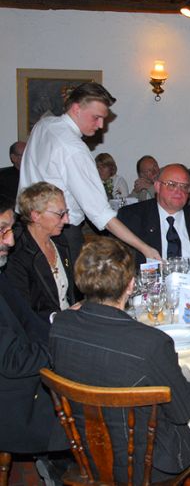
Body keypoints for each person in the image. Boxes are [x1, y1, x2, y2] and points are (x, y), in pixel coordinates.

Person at [49, 237, 190, 483]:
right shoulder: (151, 343)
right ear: (132, 285)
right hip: (146, 465)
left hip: (86, 454)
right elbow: (184, 413)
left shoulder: (60, 325)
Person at [18, 82, 161, 265]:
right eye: (96, 117)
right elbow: (101, 213)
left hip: (27, 226)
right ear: (76, 109)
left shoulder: (43, 124)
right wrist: (145, 248)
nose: (101, 125)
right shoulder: (74, 149)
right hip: (60, 234)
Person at [0, 194, 65, 457]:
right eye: (2, 230)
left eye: (10, 230)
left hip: (19, 387)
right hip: (14, 407)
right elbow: (13, 361)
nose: (10, 241)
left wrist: (70, 330)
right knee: (102, 408)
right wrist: (64, 348)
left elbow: (29, 321)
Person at [118, 163, 190, 269]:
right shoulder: (132, 218)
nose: (179, 191)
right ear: (157, 187)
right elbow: (118, 262)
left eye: (184, 186)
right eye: (172, 185)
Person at [4, 182, 75, 322]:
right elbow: (23, 312)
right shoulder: (17, 254)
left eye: (66, 212)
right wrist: (60, 319)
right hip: (41, 328)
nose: (67, 220)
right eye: (60, 214)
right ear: (35, 216)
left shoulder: (60, 242)